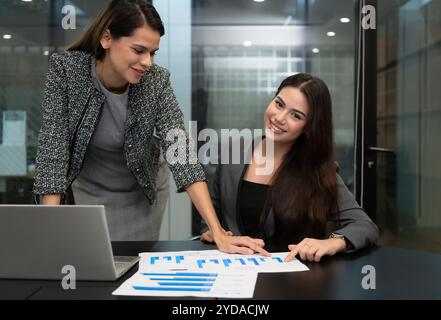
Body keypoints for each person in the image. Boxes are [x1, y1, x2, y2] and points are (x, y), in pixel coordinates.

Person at [33, 0, 268, 255]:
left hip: (140, 194)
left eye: (152, 52)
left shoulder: (155, 81)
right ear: (106, 38)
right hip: (87, 191)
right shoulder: (68, 71)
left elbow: (182, 154)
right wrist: (50, 228)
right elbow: (53, 151)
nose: (146, 62)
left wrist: (219, 233)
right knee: (89, 262)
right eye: (138, 50)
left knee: (132, 266)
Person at [201, 73, 379, 262]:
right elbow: (211, 216)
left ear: (309, 127)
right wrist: (211, 231)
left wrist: (332, 242)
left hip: (292, 277)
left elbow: (365, 226)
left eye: (296, 115)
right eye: (279, 104)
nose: (279, 118)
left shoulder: (317, 170)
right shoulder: (233, 151)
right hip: (234, 275)